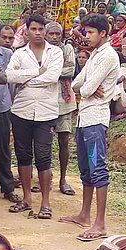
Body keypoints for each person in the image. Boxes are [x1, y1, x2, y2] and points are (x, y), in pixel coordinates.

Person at [61, 14, 120, 242]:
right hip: (84, 118)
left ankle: (100, 222)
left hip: (95, 118)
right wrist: (86, 87)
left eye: (90, 32)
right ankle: (84, 214)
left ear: (103, 33)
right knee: (86, 167)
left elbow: (84, 89)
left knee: (98, 168)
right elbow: (77, 83)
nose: (86, 36)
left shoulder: (107, 56)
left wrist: (86, 88)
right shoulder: (96, 54)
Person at [5, 14, 63, 218]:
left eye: (41, 29)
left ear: (45, 31)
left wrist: (27, 79)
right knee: (23, 155)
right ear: (26, 31)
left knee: (44, 156)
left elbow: (53, 76)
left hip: (46, 112)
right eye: (34, 29)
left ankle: (45, 203)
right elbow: (9, 76)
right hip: (21, 110)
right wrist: (38, 72)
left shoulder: (55, 52)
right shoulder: (19, 54)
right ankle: (27, 199)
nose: (38, 33)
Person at [45, 21, 77, 197]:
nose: (55, 37)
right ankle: (45, 178)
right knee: (44, 142)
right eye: (51, 34)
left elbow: (70, 70)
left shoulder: (67, 49)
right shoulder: (41, 49)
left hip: (64, 101)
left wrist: (47, 72)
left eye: (58, 34)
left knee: (64, 141)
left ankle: (63, 179)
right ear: (45, 35)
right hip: (45, 101)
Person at [0, 21, 19, 203]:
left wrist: (11, 103)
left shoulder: (8, 54)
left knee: (3, 148)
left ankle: (7, 188)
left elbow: (11, 81)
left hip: (1, 106)